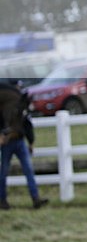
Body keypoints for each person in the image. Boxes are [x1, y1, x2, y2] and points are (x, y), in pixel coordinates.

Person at [0, 82, 48, 210]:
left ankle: (35, 198)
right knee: (4, 172)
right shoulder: (6, 107)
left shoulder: (21, 107)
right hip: (8, 143)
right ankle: (2, 200)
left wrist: (31, 141)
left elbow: (27, 124)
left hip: (19, 141)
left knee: (28, 170)